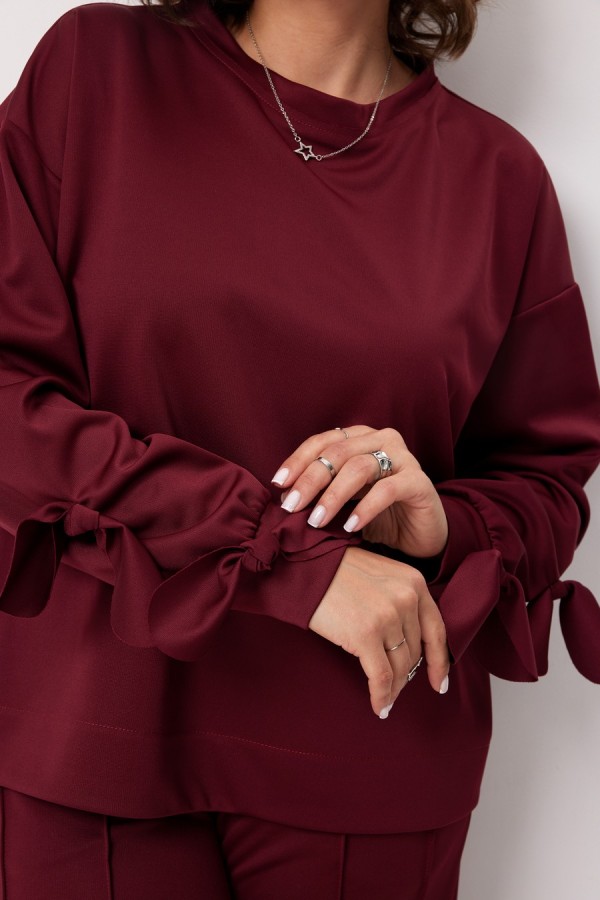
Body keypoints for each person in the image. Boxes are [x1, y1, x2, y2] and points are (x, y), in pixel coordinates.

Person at [0, 0, 599, 896]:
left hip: (370, 750)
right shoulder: (96, 72)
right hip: (97, 733)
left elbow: (546, 479)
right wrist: (288, 559)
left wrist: (442, 523)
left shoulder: (497, 177)